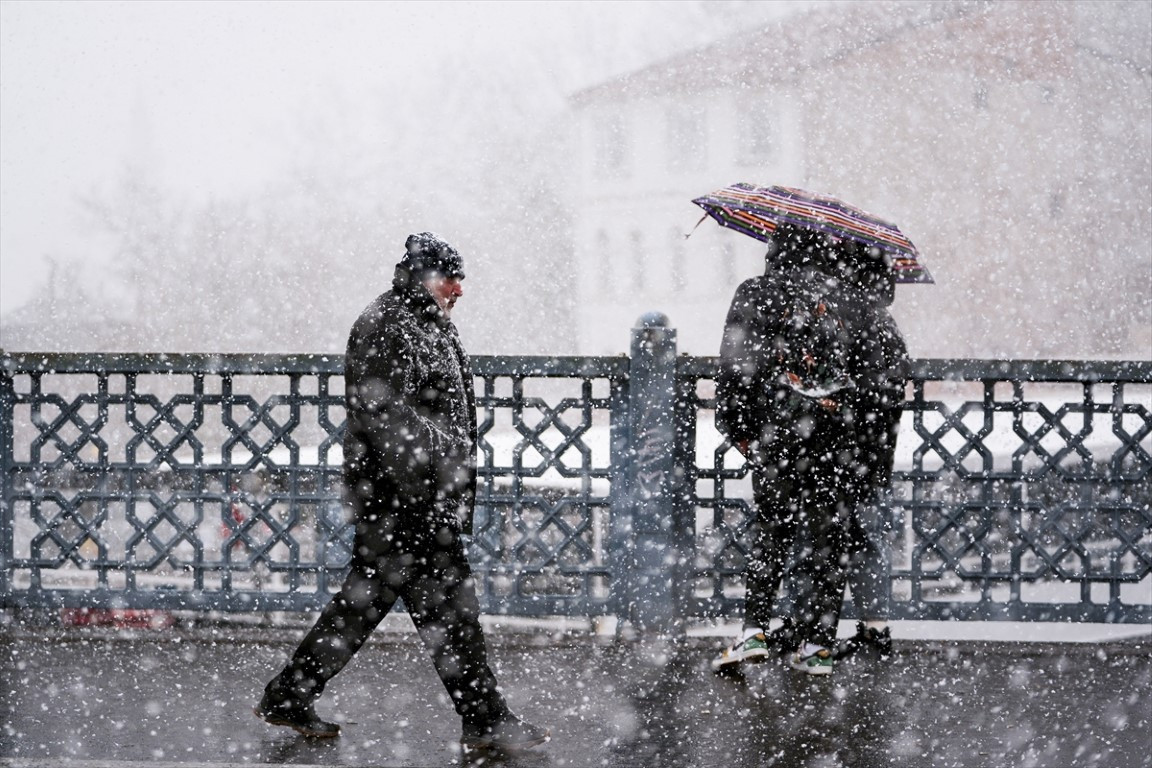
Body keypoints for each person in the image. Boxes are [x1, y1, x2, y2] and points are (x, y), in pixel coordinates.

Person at [254, 232, 549, 752]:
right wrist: (428, 489)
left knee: (376, 606)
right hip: (403, 500)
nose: (458, 289)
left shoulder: (427, 325)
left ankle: (290, 694)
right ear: (421, 277)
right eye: (449, 278)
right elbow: (384, 416)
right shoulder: (388, 324)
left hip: (411, 500)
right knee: (447, 609)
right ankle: (484, 720)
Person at [710, 225, 869, 677]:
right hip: (837, 436)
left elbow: (737, 364)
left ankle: (753, 632)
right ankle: (817, 645)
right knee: (829, 539)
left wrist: (738, 427)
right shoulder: (844, 302)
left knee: (773, 531)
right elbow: (863, 371)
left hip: (779, 433)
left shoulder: (757, 293)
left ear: (774, 255)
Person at [834, 249, 909, 659]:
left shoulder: (856, 321)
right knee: (869, 539)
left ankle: (811, 630)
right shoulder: (887, 326)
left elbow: (855, 389)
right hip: (877, 451)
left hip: (848, 450)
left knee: (835, 540)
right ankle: (876, 627)